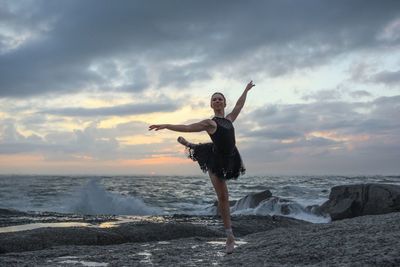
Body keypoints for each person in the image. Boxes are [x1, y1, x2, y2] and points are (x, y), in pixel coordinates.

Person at [149, 81, 255, 254]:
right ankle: (230, 236)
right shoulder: (209, 123)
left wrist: (246, 90)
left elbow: (239, 105)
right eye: (214, 99)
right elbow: (188, 127)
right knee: (223, 197)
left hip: (231, 156)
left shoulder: (229, 119)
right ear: (211, 105)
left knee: (205, 149)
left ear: (224, 103)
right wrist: (167, 125)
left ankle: (190, 145)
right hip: (216, 160)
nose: (218, 101)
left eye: (220, 99)